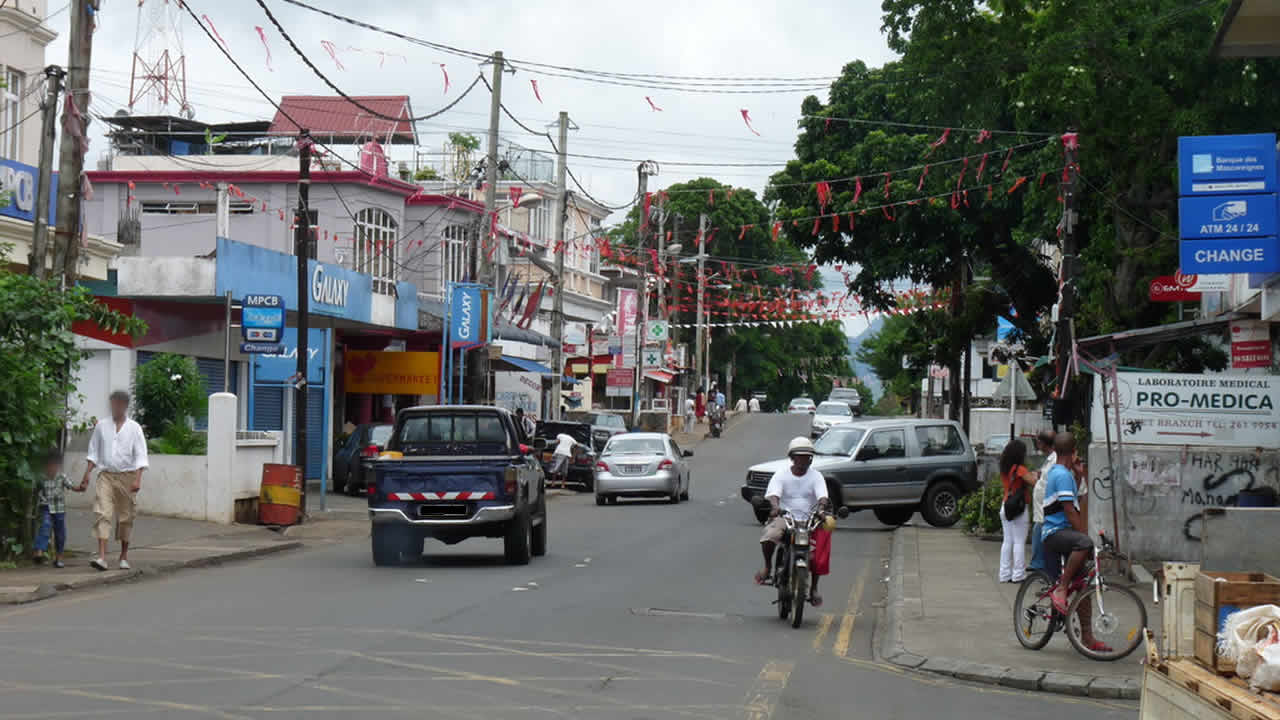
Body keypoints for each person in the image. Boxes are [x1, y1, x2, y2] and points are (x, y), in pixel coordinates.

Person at [1042, 432, 1108, 652]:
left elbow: (1074, 501)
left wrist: (1079, 477)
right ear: (1074, 452)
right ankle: (1062, 588)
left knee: (1083, 586)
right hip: (1055, 533)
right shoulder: (1061, 475)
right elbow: (1070, 511)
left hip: (1065, 533)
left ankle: (1087, 637)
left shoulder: (1065, 474)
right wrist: (1085, 537)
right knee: (1084, 543)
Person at [755, 436, 831, 607]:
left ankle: (814, 588)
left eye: (808, 457)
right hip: (786, 518)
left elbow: (822, 496)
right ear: (792, 457)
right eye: (800, 456)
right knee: (770, 536)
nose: (805, 460)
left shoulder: (816, 476)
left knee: (819, 552)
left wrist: (821, 510)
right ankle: (767, 567)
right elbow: (774, 494)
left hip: (809, 520)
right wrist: (775, 507)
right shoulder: (781, 475)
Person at [84, 390, 149, 571]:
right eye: (113, 403)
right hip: (105, 475)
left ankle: (124, 556)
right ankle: (102, 557)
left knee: (126, 517)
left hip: (127, 477)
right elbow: (93, 452)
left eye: (119, 404)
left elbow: (141, 456)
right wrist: (87, 474)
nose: (115, 407)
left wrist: (137, 479)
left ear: (125, 406)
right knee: (102, 513)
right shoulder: (101, 426)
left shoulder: (134, 428)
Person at [32, 449, 85, 568]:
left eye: (54, 465)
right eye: (49, 466)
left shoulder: (61, 477)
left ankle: (59, 558)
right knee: (45, 526)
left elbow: (72, 486)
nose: (52, 468)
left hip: (59, 509)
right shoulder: (41, 478)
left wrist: (80, 488)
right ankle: (39, 551)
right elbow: (36, 491)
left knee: (60, 533)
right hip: (46, 507)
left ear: (58, 466)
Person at [998, 439, 1036, 583]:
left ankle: (1004, 574)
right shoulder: (1020, 469)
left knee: (1007, 541)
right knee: (1019, 542)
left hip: (1006, 505)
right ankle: (1018, 574)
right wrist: (1035, 475)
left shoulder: (1004, 467)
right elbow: (1034, 482)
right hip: (1018, 507)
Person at [1029, 430, 1057, 576]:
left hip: (1046, 506)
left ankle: (1038, 565)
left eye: (1038, 442)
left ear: (1042, 443)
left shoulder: (1055, 459)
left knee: (1040, 533)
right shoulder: (1050, 459)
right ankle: (1038, 564)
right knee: (1038, 531)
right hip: (1041, 507)